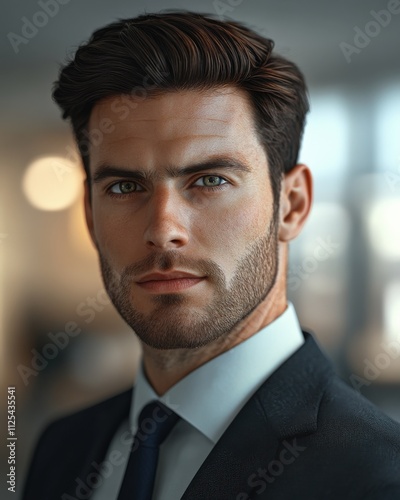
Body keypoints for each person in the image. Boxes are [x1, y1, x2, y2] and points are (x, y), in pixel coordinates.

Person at [22, 10, 400, 500]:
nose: (162, 231)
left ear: (293, 205)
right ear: (91, 218)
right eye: (123, 186)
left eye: (209, 181)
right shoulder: (60, 447)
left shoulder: (378, 476)